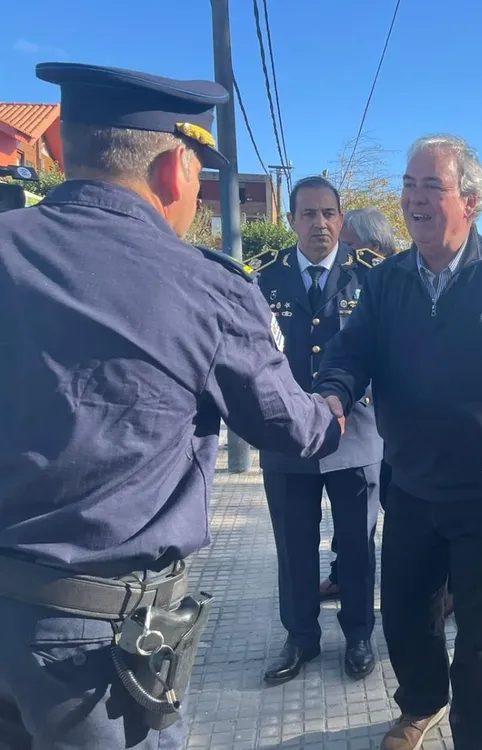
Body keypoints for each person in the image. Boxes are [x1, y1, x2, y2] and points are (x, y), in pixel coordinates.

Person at [0, 62, 344, 750]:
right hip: (91, 645)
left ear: (63, 150)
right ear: (174, 171)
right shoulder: (202, 285)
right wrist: (332, 412)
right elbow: (287, 426)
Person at [314, 134, 482, 750]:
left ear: (471, 201)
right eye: (408, 185)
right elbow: (352, 354)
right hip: (411, 486)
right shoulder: (386, 283)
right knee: (407, 616)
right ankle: (422, 703)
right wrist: (333, 392)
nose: (414, 199)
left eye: (431, 186)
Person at [253, 177, 382, 685]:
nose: (319, 224)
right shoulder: (263, 278)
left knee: (357, 544)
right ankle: (301, 636)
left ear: (341, 219)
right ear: (291, 220)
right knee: (294, 545)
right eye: (308, 214)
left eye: (329, 213)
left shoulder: (370, 276)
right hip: (287, 438)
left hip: (357, 434)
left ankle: (359, 635)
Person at [319, 206, 397, 601]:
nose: (342, 251)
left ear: (373, 247)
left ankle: (443, 586)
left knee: (402, 511)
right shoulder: (341, 279)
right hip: (355, 419)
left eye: (348, 244)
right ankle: (342, 575)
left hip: (394, 424)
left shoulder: (396, 285)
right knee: (353, 519)